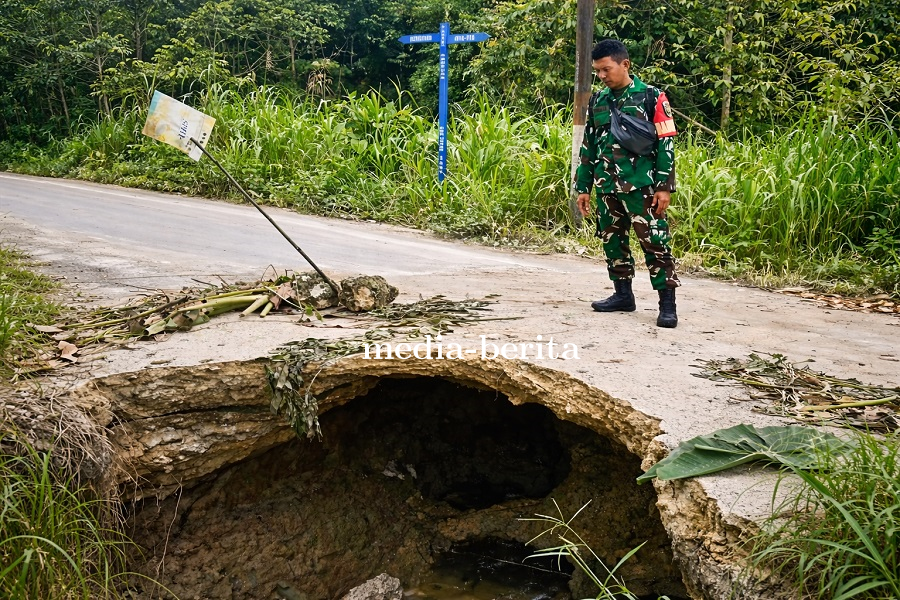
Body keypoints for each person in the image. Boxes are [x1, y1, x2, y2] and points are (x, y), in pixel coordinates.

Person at [575, 39, 680, 328]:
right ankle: (623, 295)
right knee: (613, 240)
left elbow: (666, 144)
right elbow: (590, 146)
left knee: (655, 243)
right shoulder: (598, 100)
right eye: (597, 71)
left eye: (606, 69)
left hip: (642, 187)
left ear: (625, 65)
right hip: (607, 185)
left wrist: (663, 187)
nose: (602, 76)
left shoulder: (652, 97)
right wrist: (583, 187)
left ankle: (667, 305)